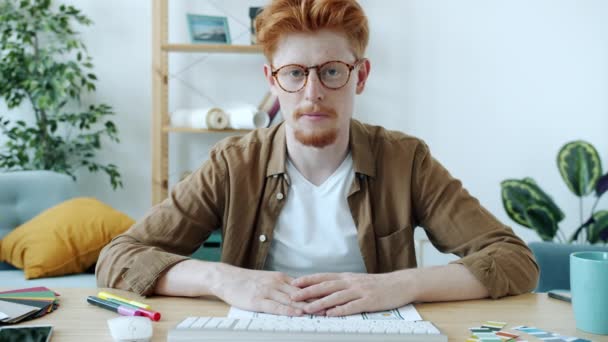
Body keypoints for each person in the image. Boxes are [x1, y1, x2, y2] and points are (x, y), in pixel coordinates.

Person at [96, 0, 538, 317]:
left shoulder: (407, 160)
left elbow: (514, 260)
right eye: (294, 73)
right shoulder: (233, 163)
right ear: (272, 80)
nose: (313, 93)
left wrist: (397, 286)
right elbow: (118, 259)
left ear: (359, 76)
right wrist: (223, 279)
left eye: (331, 71)